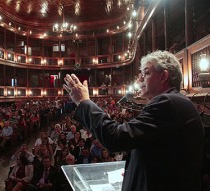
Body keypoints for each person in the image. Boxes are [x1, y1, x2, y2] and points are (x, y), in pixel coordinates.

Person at [63, 50, 204, 191]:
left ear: (163, 76)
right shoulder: (173, 102)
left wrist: (84, 102)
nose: (140, 79)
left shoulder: (168, 102)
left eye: (146, 73)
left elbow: (116, 138)